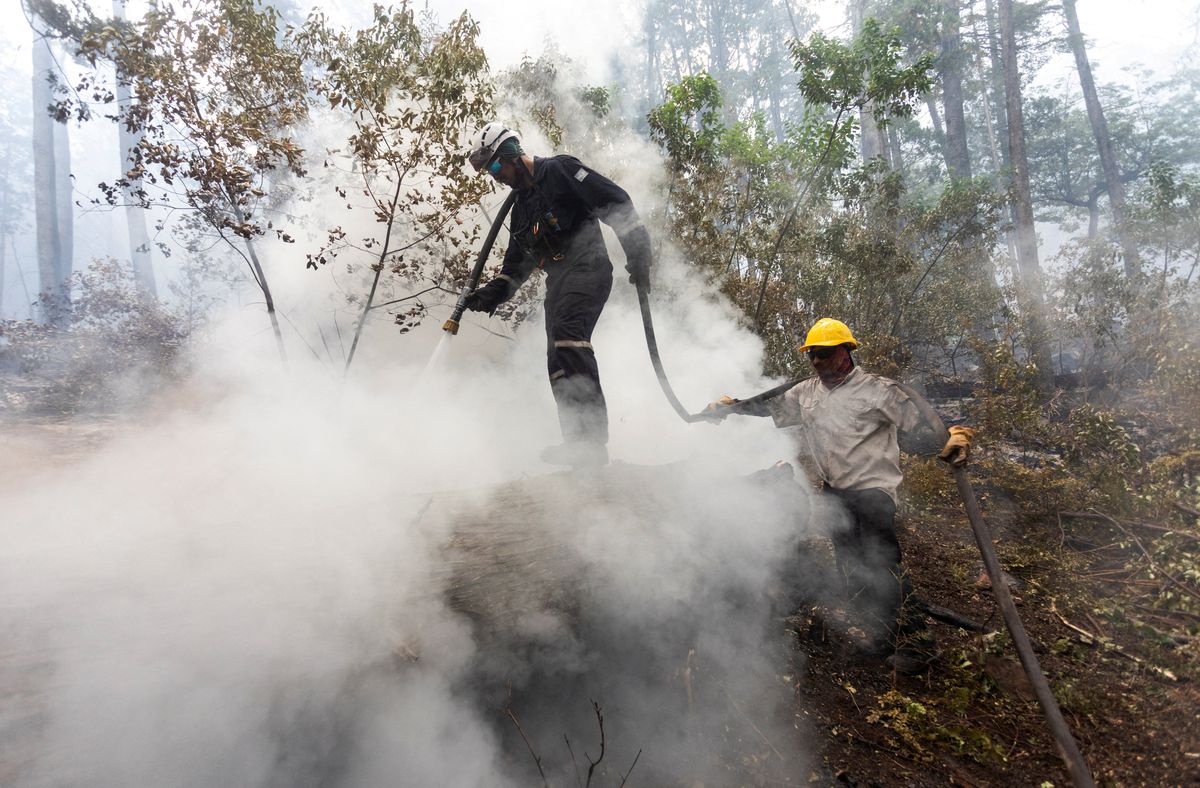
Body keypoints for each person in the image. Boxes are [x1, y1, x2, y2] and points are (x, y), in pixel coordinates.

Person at [707, 318, 975, 673]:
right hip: (836, 491)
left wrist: (955, 433)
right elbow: (769, 407)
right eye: (812, 355)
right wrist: (733, 406)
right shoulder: (805, 393)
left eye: (824, 353)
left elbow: (923, 419)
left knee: (882, 566)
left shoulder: (878, 390)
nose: (816, 361)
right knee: (851, 566)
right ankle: (882, 636)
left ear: (845, 352)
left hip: (873, 490)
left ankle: (920, 646)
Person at [463, 122, 653, 469]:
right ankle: (577, 444)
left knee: (568, 336)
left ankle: (592, 444)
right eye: (490, 171)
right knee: (556, 359)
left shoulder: (561, 170)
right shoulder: (521, 209)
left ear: (511, 153)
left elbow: (615, 202)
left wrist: (638, 254)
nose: (496, 176)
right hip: (559, 283)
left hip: (589, 270)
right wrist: (486, 296)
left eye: (495, 165)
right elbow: (515, 267)